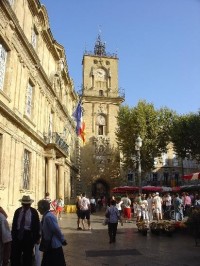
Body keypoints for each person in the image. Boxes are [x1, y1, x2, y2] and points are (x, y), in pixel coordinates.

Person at [10, 195, 40, 266]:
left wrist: (37, 237)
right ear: (22, 204)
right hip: (18, 235)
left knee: (27, 256)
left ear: (30, 204)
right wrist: (13, 235)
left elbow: (37, 225)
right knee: (15, 255)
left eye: (28, 204)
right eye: (25, 204)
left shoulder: (33, 212)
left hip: (28, 236)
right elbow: (14, 224)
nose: (26, 206)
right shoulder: (18, 211)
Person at [37, 199, 67, 266]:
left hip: (53, 245)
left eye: (38, 208)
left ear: (42, 208)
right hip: (49, 245)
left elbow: (56, 230)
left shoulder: (48, 217)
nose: (38, 210)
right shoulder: (46, 216)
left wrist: (62, 240)